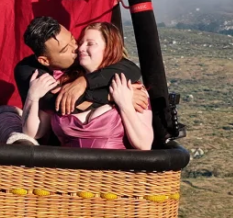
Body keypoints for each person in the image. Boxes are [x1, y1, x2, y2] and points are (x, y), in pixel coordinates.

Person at [23, 22, 153, 150]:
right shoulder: (64, 85)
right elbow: (34, 133)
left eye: (90, 44)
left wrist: (125, 105)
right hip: (67, 169)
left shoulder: (130, 88)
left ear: (109, 48)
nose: (80, 48)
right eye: (81, 42)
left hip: (113, 169)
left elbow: (144, 144)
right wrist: (32, 97)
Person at [13, 16, 147, 118]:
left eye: (73, 39)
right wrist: (113, 96)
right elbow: (60, 103)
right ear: (45, 60)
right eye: (65, 49)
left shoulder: (84, 58)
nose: (76, 48)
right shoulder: (29, 71)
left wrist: (84, 82)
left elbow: (130, 69)